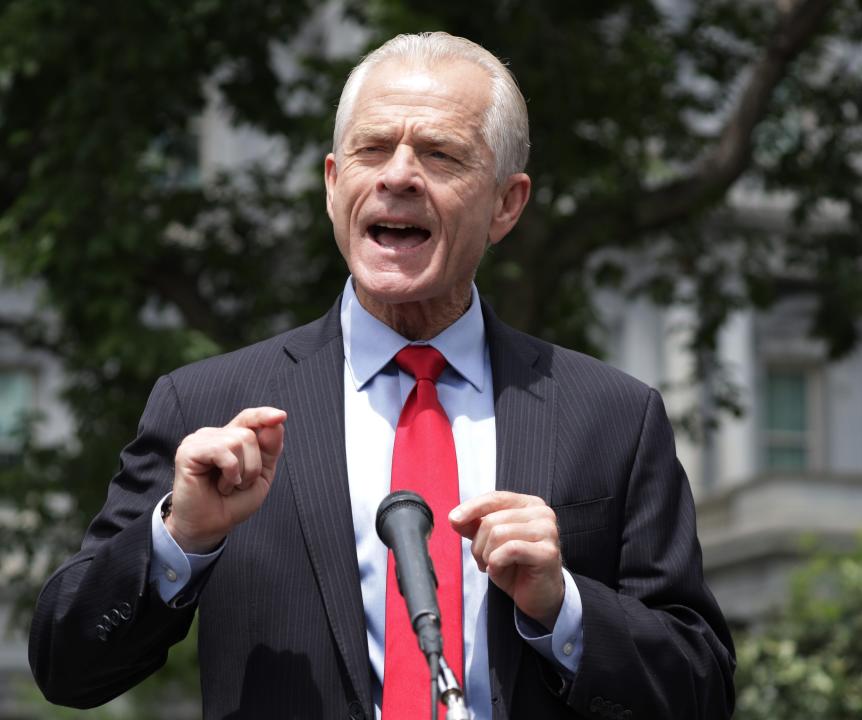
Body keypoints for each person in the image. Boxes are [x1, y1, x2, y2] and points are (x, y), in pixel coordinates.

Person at [29, 32, 735, 720]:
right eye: (371, 150)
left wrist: (563, 607)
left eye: (441, 153)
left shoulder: (612, 416)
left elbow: (702, 689)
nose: (398, 175)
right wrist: (179, 539)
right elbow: (68, 667)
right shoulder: (207, 406)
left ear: (506, 204)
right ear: (336, 185)